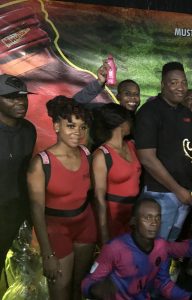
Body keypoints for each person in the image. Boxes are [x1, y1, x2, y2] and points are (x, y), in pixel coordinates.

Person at [27, 96, 97, 299]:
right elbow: (36, 211)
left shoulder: (86, 153)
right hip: (57, 231)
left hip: (86, 226)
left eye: (82, 127)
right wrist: (47, 254)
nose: (78, 132)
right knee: (60, 291)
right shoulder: (42, 163)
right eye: (70, 125)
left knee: (79, 285)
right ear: (56, 126)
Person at [82, 198, 192, 299]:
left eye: (157, 217)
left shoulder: (161, 247)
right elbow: (87, 283)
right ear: (134, 221)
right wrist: (94, 290)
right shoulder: (115, 248)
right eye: (147, 218)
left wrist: (188, 297)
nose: (154, 223)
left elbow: (163, 283)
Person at [135, 61, 192, 242]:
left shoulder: (187, 113)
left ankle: (165, 271)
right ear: (163, 84)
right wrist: (178, 190)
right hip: (160, 194)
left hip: (185, 193)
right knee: (153, 248)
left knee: (168, 248)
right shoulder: (149, 112)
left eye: (184, 82)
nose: (180, 87)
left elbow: (190, 152)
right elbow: (147, 159)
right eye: (174, 82)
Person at [0, 75, 36, 275]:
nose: (20, 102)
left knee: (22, 270)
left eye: (23, 96)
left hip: (19, 212)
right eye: (11, 97)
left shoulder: (29, 130)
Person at [90, 103, 141, 245]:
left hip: (132, 214)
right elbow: (98, 198)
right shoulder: (102, 155)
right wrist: (104, 233)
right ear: (121, 123)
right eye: (129, 120)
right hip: (113, 216)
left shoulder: (131, 145)